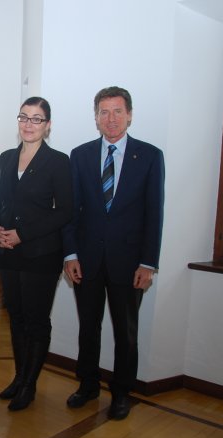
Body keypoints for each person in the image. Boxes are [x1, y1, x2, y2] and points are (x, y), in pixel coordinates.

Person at [63, 86, 165, 420]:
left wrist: (148, 263)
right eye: (104, 112)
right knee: (88, 329)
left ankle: (122, 393)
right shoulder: (80, 155)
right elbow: (71, 212)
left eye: (117, 111)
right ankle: (87, 385)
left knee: (126, 333)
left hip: (130, 264)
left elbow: (154, 213)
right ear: (96, 118)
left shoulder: (150, 156)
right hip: (86, 261)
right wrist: (70, 255)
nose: (111, 119)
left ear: (129, 115)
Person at [0, 97, 73, 411]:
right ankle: (19, 376)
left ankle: (29, 385)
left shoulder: (58, 161)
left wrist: (22, 234)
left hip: (41, 254)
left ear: (47, 125)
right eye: (24, 117)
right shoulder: (7, 157)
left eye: (37, 119)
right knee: (16, 318)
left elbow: (64, 211)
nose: (29, 124)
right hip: (8, 253)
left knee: (36, 321)